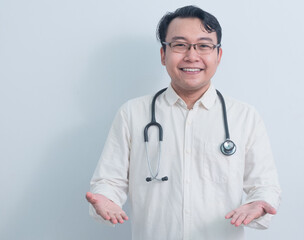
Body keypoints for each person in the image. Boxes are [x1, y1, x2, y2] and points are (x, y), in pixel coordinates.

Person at [86, 5, 281, 240]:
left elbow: (265, 186)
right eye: (180, 45)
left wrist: (260, 202)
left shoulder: (244, 116)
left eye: (203, 46)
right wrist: (105, 198)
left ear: (218, 55)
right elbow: (108, 181)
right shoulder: (132, 114)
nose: (191, 55)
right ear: (163, 54)